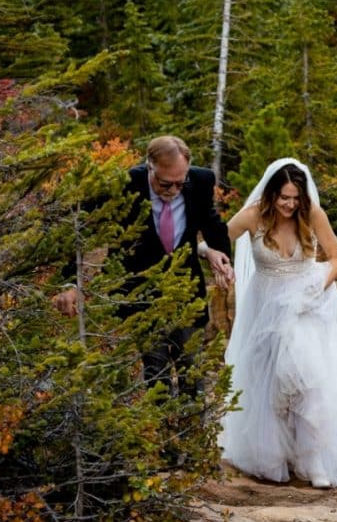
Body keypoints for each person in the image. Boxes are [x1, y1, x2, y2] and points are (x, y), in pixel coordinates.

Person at [204, 158, 337, 488]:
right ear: (272, 193)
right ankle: (274, 455)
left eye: (295, 198)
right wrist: (215, 259)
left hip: (307, 301)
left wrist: (318, 287)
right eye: (284, 197)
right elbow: (212, 241)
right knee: (269, 379)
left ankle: (313, 457)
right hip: (265, 303)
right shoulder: (252, 215)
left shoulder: (312, 213)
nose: (290, 204)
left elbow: (336, 258)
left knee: (308, 377)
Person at [54, 135, 233, 395]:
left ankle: (192, 427)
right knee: (155, 372)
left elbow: (212, 222)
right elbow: (83, 231)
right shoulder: (124, 184)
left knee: (192, 371)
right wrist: (70, 282)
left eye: (179, 184)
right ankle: (159, 430)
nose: (173, 191)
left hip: (187, 292)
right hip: (139, 294)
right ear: (149, 166)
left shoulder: (201, 180)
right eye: (165, 184)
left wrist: (217, 251)